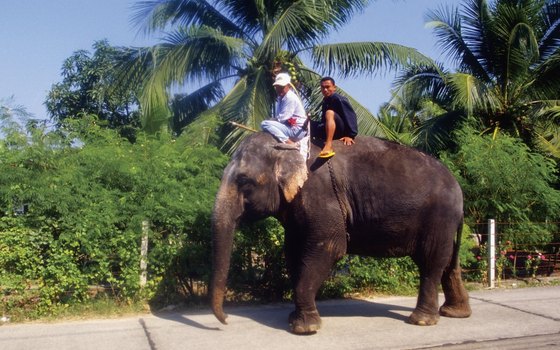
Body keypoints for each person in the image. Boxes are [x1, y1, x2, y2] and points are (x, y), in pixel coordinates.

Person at [312, 76, 358, 158]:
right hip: (328, 128)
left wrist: (350, 135)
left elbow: (350, 116)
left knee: (329, 113)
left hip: (340, 130)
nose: (325, 90)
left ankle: (328, 145)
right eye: (323, 87)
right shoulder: (325, 101)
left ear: (334, 87)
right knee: (307, 122)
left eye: (327, 87)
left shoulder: (339, 99)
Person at [260, 73, 308, 149]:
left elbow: (282, 118)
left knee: (265, 124)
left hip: (297, 130)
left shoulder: (290, 97)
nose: (279, 89)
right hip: (288, 128)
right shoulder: (281, 98)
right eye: (277, 87)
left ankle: (288, 142)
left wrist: (271, 121)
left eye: (281, 87)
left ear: (288, 86)